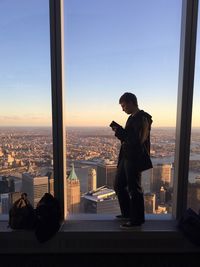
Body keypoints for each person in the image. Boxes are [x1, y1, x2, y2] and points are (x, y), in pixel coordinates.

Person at [110, 92, 153, 229]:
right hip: (126, 156)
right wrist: (121, 132)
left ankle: (136, 220)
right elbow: (130, 137)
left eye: (123, 105)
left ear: (130, 103)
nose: (122, 109)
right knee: (118, 185)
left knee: (135, 188)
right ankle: (128, 213)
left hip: (134, 158)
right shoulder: (132, 118)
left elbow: (136, 141)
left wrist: (119, 132)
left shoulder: (142, 119)